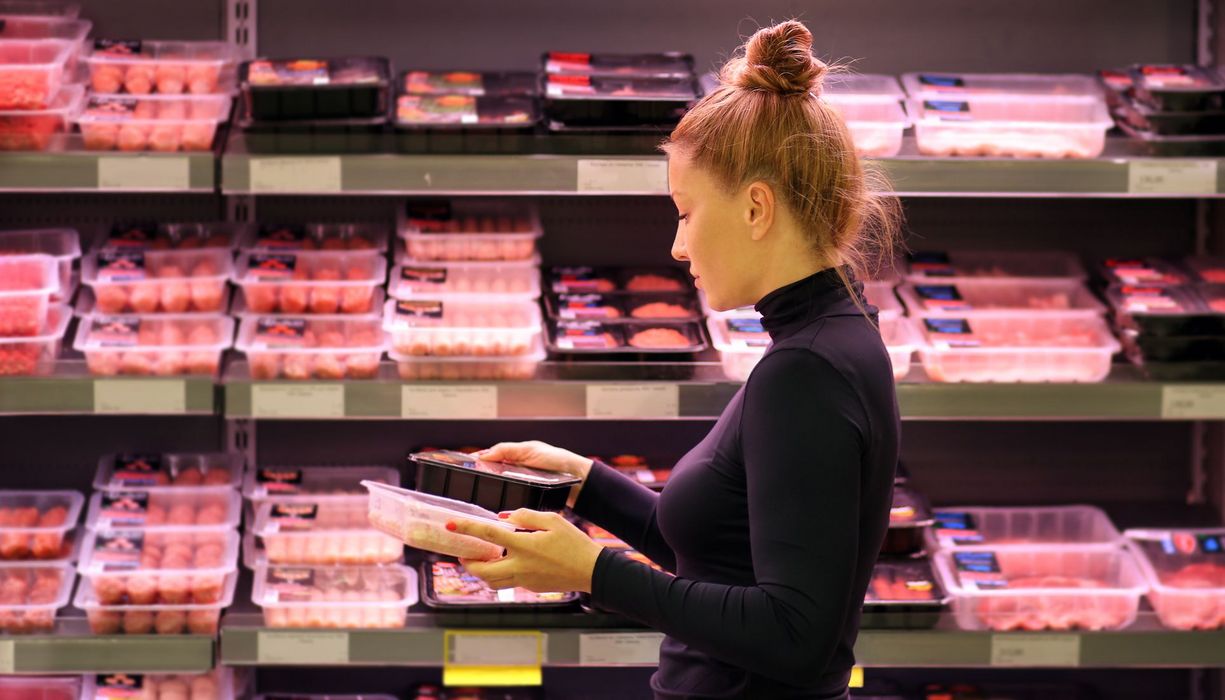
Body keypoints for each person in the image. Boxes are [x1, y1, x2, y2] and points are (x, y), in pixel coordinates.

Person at [448, 19, 902, 700]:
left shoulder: (805, 372)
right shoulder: (831, 338)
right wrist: (584, 482)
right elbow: (720, 559)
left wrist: (593, 572)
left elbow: (796, 636)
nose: (676, 247)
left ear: (755, 208)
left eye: (685, 213)